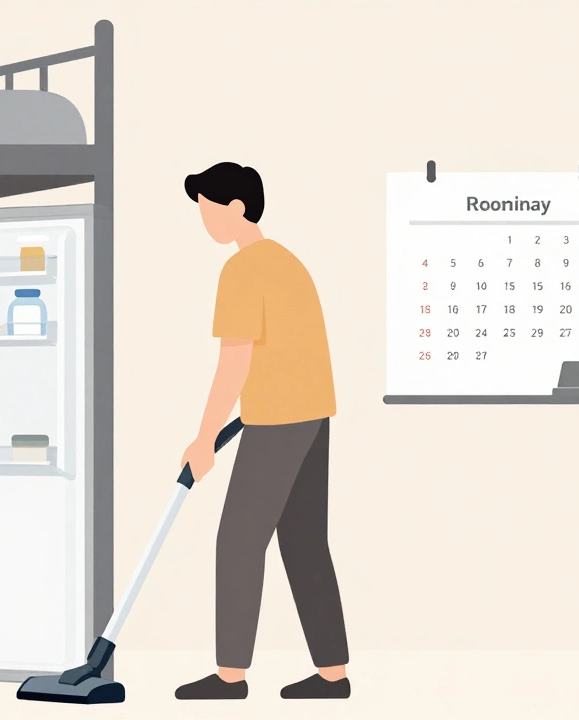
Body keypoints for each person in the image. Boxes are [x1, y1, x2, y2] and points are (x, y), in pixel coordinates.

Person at [174, 162, 351, 701]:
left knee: (238, 542)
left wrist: (204, 439)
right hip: (313, 416)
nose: (203, 217)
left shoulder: (244, 269)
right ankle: (332, 674)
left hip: (276, 421)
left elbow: (235, 361)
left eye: (207, 206)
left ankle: (230, 677)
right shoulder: (287, 262)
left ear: (235, 208)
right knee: (303, 544)